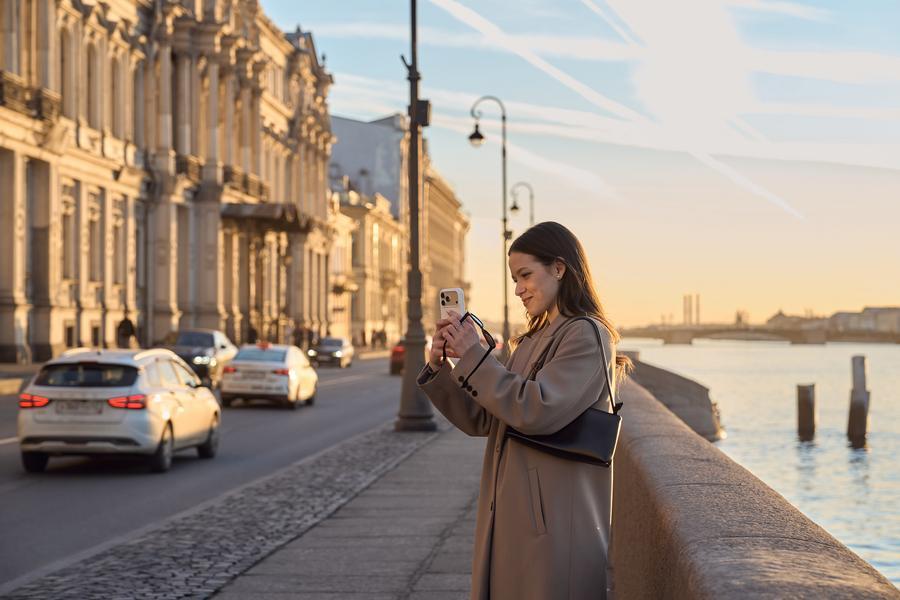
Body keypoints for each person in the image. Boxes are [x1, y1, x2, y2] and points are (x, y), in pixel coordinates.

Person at [417, 222, 631, 600]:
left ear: (560, 268)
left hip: (554, 525)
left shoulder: (586, 333)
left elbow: (537, 411)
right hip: (517, 514)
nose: (518, 289)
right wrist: (441, 368)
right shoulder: (531, 339)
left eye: (525, 275)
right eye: (515, 278)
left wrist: (475, 357)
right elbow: (486, 418)